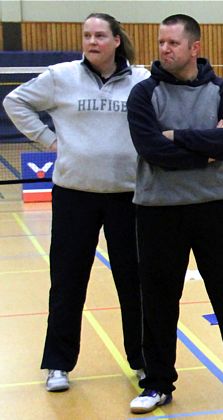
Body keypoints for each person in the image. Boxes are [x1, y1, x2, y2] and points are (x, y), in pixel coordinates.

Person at [125, 14, 223, 413]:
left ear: (194, 48)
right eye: (161, 42)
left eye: (173, 43)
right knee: (158, 300)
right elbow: (151, 150)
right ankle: (157, 383)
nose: (164, 49)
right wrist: (205, 150)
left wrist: (177, 136)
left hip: (216, 208)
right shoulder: (143, 94)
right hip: (158, 210)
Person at [3, 13, 148, 392]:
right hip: (74, 196)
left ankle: (144, 360)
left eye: (100, 35)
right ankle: (58, 364)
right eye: (87, 35)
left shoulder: (141, 80)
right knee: (67, 282)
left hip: (128, 197)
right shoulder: (60, 76)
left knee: (134, 283)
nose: (92, 41)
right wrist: (48, 140)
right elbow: (16, 101)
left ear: (116, 40)